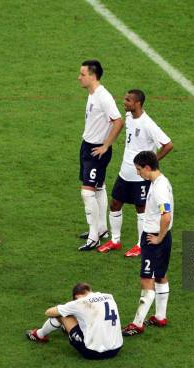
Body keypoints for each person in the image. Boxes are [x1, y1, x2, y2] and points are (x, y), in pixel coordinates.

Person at [98, 89, 173, 257]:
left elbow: (168, 144)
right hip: (124, 172)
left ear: (137, 103)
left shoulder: (148, 124)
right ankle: (115, 240)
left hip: (140, 176)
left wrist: (153, 161)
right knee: (115, 204)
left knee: (141, 209)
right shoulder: (130, 117)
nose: (124, 102)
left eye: (128, 100)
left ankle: (140, 245)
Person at [122, 151, 173, 336]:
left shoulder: (159, 188)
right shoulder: (161, 182)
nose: (138, 173)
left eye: (139, 169)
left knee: (147, 278)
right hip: (164, 236)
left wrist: (158, 238)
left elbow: (165, 216)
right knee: (160, 275)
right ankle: (160, 317)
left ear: (147, 167)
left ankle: (137, 323)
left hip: (154, 238)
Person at [77, 60, 124, 251]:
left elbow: (118, 121)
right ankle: (102, 228)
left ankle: (94, 237)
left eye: (82, 74)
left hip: (97, 151)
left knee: (87, 192)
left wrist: (106, 146)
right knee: (98, 188)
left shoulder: (103, 97)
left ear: (92, 75)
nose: (79, 77)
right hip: (87, 146)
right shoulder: (93, 94)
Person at [25, 282, 123, 360]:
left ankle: (39, 335)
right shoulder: (109, 296)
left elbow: (49, 312)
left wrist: (68, 309)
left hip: (93, 352)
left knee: (61, 316)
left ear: (77, 296)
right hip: (116, 349)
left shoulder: (79, 302)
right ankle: (65, 328)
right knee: (85, 316)